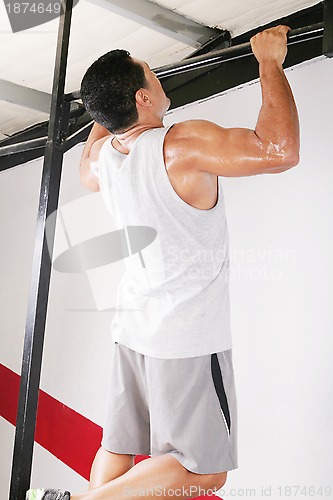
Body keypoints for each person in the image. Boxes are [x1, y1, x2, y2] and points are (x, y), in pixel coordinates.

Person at [26, 24, 299, 500]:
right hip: (185, 335)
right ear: (142, 97)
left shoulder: (102, 162)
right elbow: (279, 151)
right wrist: (270, 62)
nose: (159, 76)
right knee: (205, 472)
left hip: (133, 328)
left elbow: (92, 155)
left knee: (121, 445)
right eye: (151, 72)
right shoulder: (180, 145)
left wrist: (106, 111)